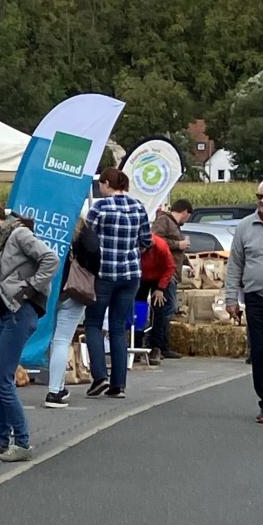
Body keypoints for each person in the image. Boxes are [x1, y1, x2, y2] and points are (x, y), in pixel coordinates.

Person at [0, 204, 58, 462]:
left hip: (20, 311)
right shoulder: (2, 240)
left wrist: (29, 289)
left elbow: (50, 259)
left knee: (1, 380)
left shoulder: (18, 235)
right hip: (8, 309)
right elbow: (13, 275)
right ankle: (1, 440)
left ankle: (22, 441)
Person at [84, 167, 152, 400]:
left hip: (103, 273)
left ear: (105, 184)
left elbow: (87, 240)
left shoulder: (99, 207)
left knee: (93, 324)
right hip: (131, 274)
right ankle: (119, 384)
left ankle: (99, 376)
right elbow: (147, 240)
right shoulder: (138, 207)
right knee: (118, 328)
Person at [45, 217, 102, 407]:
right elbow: (95, 255)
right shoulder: (84, 234)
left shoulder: (48, 228)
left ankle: (58, 386)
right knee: (61, 340)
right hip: (74, 290)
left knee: (52, 339)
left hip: (47, 290)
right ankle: (54, 390)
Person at [224, 179, 263, 424]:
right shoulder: (245, 227)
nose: (262, 201)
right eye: (259, 196)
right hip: (256, 298)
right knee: (259, 352)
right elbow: (235, 265)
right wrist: (231, 298)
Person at [150, 199, 192, 362]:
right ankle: (158, 345)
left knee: (166, 309)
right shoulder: (164, 221)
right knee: (166, 308)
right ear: (185, 212)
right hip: (165, 273)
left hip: (171, 273)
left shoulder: (173, 225)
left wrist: (186, 260)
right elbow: (155, 240)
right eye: (188, 216)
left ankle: (162, 345)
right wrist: (178, 244)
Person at [138, 233, 176, 364]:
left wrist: (160, 288)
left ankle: (156, 346)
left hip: (159, 276)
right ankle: (137, 344)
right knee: (138, 309)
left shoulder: (161, 246)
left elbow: (170, 267)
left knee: (159, 310)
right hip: (140, 277)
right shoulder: (134, 245)